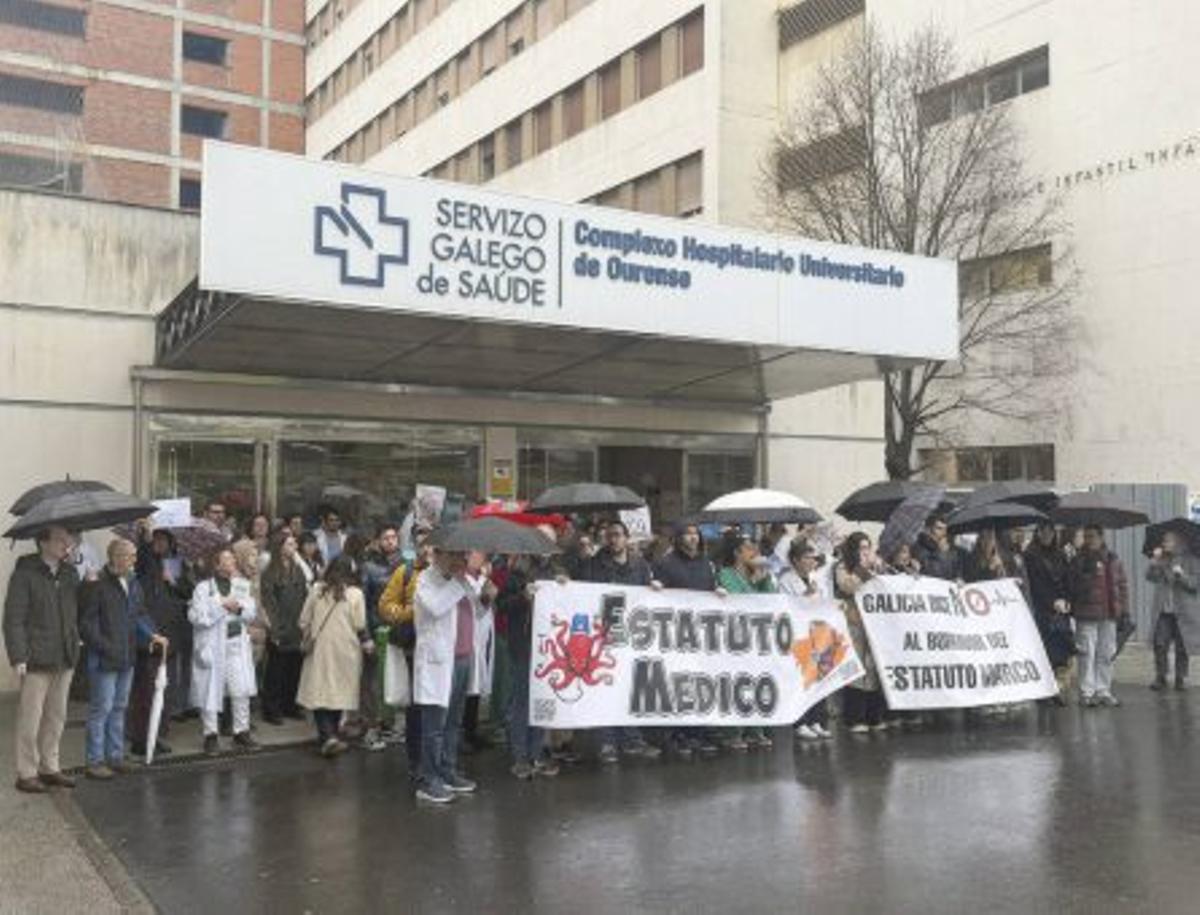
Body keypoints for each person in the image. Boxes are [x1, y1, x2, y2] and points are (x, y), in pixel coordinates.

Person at [78, 539, 168, 779]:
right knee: (102, 709)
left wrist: (153, 634)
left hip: (127, 655)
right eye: (130, 556)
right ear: (115, 557)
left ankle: (115, 756)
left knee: (119, 708)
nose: (134, 560)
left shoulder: (133, 582)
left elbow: (138, 614)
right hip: (104, 658)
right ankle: (94, 761)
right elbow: (86, 624)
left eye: (134, 555)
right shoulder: (96, 583)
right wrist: (106, 647)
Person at [3, 526, 82, 793]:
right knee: (31, 718)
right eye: (60, 539)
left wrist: (87, 579)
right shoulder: (25, 575)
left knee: (56, 716)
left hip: (65, 655)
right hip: (36, 658)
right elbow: (13, 619)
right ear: (43, 543)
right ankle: (26, 772)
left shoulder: (70, 573)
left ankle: (50, 767)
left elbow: (78, 609)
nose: (66, 543)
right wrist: (18, 656)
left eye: (68, 539)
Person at [579, 520, 662, 763]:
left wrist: (654, 587)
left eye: (617, 535)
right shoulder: (594, 565)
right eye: (609, 535)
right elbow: (581, 591)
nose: (613, 539)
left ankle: (632, 738)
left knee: (630, 687)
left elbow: (648, 598)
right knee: (606, 687)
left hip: (633, 635)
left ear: (626, 538)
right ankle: (606, 742)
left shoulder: (640, 566)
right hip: (604, 635)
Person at [412, 547, 477, 804]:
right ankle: (429, 780)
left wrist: (487, 597)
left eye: (460, 555)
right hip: (437, 664)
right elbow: (437, 607)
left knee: (453, 723)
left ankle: (449, 771)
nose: (459, 559)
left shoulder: (461, 580)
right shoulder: (425, 580)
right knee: (434, 727)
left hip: (462, 659)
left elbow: (478, 613)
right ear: (438, 556)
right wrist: (460, 581)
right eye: (453, 555)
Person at [495, 551, 563, 779]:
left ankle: (536, 752)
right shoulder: (517, 574)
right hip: (523, 646)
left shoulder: (556, 573)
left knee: (542, 702)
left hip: (548, 648)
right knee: (522, 702)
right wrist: (523, 596)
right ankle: (520, 756)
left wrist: (565, 587)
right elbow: (502, 605)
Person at [297, 556, 372, 757]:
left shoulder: (317, 590)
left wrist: (308, 635)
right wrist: (367, 643)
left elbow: (304, 620)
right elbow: (360, 624)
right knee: (340, 692)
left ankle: (327, 736)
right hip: (346, 651)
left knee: (320, 693)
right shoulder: (355, 594)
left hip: (320, 649)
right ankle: (331, 736)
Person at [189, 547, 260, 754]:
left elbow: (250, 613)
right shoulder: (203, 588)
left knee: (241, 690)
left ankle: (241, 733)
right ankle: (210, 735)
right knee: (211, 692)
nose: (232, 562)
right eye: (226, 559)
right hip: (213, 648)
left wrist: (237, 608)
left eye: (232, 559)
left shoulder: (242, 586)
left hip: (236, 645)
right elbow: (196, 617)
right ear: (217, 564)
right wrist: (221, 606)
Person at [130, 525, 194, 752]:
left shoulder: (176, 563)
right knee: (146, 688)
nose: (159, 544)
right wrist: (144, 537)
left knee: (164, 686)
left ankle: (159, 732)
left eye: (163, 540)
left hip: (171, 632)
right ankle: (141, 736)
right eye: (155, 540)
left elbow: (188, 591)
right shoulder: (144, 562)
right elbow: (141, 561)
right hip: (150, 633)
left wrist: (173, 581)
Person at [715, 531, 777, 750]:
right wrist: (752, 584)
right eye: (749, 548)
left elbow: (771, 602)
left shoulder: (757, 575)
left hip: (756, 640)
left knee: (756, 681)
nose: (755, 552)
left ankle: (755, 729)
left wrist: (765, 578)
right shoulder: (726, 574)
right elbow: (738, 601)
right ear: (737, 553)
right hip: (736, 638)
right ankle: (733, 732)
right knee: (737, 682)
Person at [778, 538, 834, 741]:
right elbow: (785, 607)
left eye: (812, 558)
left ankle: (817, 720)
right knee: (801, 680)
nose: (811, 561)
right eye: (806, 558)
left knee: (818, 679)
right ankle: (800, 722)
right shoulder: (785, 581)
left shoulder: (816, 578)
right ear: (795, 560)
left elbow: (825, 602)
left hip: (817, 633)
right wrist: (804, 596)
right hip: (798, 636)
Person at [357, 523, 406, 750]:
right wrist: (364, 634)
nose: (390, 541)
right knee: (372, 682)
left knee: (392, 679)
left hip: (397, 630)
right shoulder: (368, 567)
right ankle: (370, 728)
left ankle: (389, 724)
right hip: (376, 629)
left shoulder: (405, 566)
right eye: (385, 537)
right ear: (378, 541)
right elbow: (362, 604)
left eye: (393, 537)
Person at [1068, 525, 1128, 708]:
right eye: (1086, 536)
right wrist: (1088, 572)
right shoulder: (1079, 559)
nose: (1088, 540)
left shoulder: (1113, 558)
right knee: (1087, 653)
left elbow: (1122, 585)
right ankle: (1087, 692)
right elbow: (1072, 586)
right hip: (1086, 614)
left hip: (1109, 613)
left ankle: (1103, 691)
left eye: (1092, 536)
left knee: (1106, 653)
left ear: (1101, 537)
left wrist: (1124, 610)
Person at [837, 532, 888, 734]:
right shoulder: (843, 566)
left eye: (868, 547)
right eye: (861, 548)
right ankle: (854, 717)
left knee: (874, 667)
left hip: (873, 622)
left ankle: (874, 715)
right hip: (854, 622)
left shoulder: (877, 564)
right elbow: (847, 586)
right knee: (857, 669)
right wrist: (862, 570)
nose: (865, 552)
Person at [260, 531, 309, 724]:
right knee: (275, 672)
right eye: (290, 544)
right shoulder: (270, 572)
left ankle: (291, 706)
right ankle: (272, 710)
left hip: (296, 627)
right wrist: (275, 630)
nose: (294, 547)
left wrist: (305, 624)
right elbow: (269, 603)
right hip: (280, 628)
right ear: (280, 547)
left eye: (294, 543)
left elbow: (305, 596)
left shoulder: (297, 569)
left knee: (294, 669)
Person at [1024, 522, 1074, 704]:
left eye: (1050, 531)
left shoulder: (1061, 554)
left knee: (1061, 654)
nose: (1046, 535)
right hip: (1043, 610)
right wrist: (1052, 602)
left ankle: (1056, 690)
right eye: (1042, 531)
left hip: (1061, 610)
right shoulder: (1030, 555)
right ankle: (1043, 692)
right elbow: (1035, 585)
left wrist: (1067, 601)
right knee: (1044, 652)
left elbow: (1068, 580)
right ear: (1037, 533)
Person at [1147, 531, 1200, 691]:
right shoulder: (1162, 559)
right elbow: (1150, 577)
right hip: (1164, 611)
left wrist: (1181, 575)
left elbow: (1195, 585)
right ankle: (1161, 676)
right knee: (1160, 644)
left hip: (1183, 612)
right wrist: (1154, 562)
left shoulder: (1191, 560)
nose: (1164, 543)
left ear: (1178, 541)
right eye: (1164, 540)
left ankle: (1180, 678)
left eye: (1167, 540)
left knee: (1182, 646)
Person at [653, 522, 716, 592]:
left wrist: (718, 590)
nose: (693, 537)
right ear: (679, 537)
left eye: (696, 533)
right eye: (688, 533)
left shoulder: (706, 563)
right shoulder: (666, 563)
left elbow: (711, 588)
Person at [912, 515, 963, 582]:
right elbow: (929, 573)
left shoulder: (951, 551)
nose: (943, 533)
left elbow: (956, 572)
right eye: (939, 528)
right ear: (929, 530)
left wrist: (958, 579)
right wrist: (941, 553)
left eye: (945, 529)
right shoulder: (919, 548)